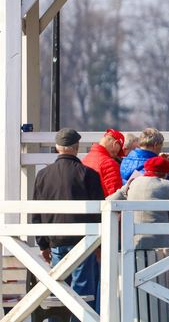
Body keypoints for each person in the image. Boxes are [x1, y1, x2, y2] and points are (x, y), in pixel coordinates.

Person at [32, 128, 105, 313]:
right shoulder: (88, 174)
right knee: (83, 293)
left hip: (55, 241)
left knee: (57, 291)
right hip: (83, 242)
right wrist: (100, 244)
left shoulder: (43, 175)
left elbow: (36, 213)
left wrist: (42, 245)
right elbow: (99, 213)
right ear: (76, 147)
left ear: (57, 148)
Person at [108, 156, 169, 320]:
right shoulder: (168, 186)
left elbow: (110, 201)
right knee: (161, 289)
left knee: (136, 289)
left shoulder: (133, 184)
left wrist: (126, 189)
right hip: (160, 247)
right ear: (165, 173)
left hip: (134, 245)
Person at [82, 128, 126, 197]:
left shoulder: (85, 159)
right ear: (115, 144)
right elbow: (116, 197)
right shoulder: (110, 164)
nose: (117, 155)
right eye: (119, 151)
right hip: (102, 206)